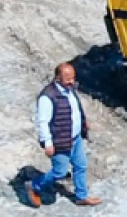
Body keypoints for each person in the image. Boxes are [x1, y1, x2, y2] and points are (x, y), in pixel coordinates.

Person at [27, 61, 102, 208]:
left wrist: (83, 122)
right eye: (68, 80)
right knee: (59, 171)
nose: (72, 82)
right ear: (57, 78)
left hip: (75, 138)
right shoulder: (47, 97)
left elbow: (75, 108)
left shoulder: (69, 89)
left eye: (73, 78)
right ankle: (34, 185)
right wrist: (48, 143)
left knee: (81, 165)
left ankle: (81, 196)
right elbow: (43, 122)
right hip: (59, 141)